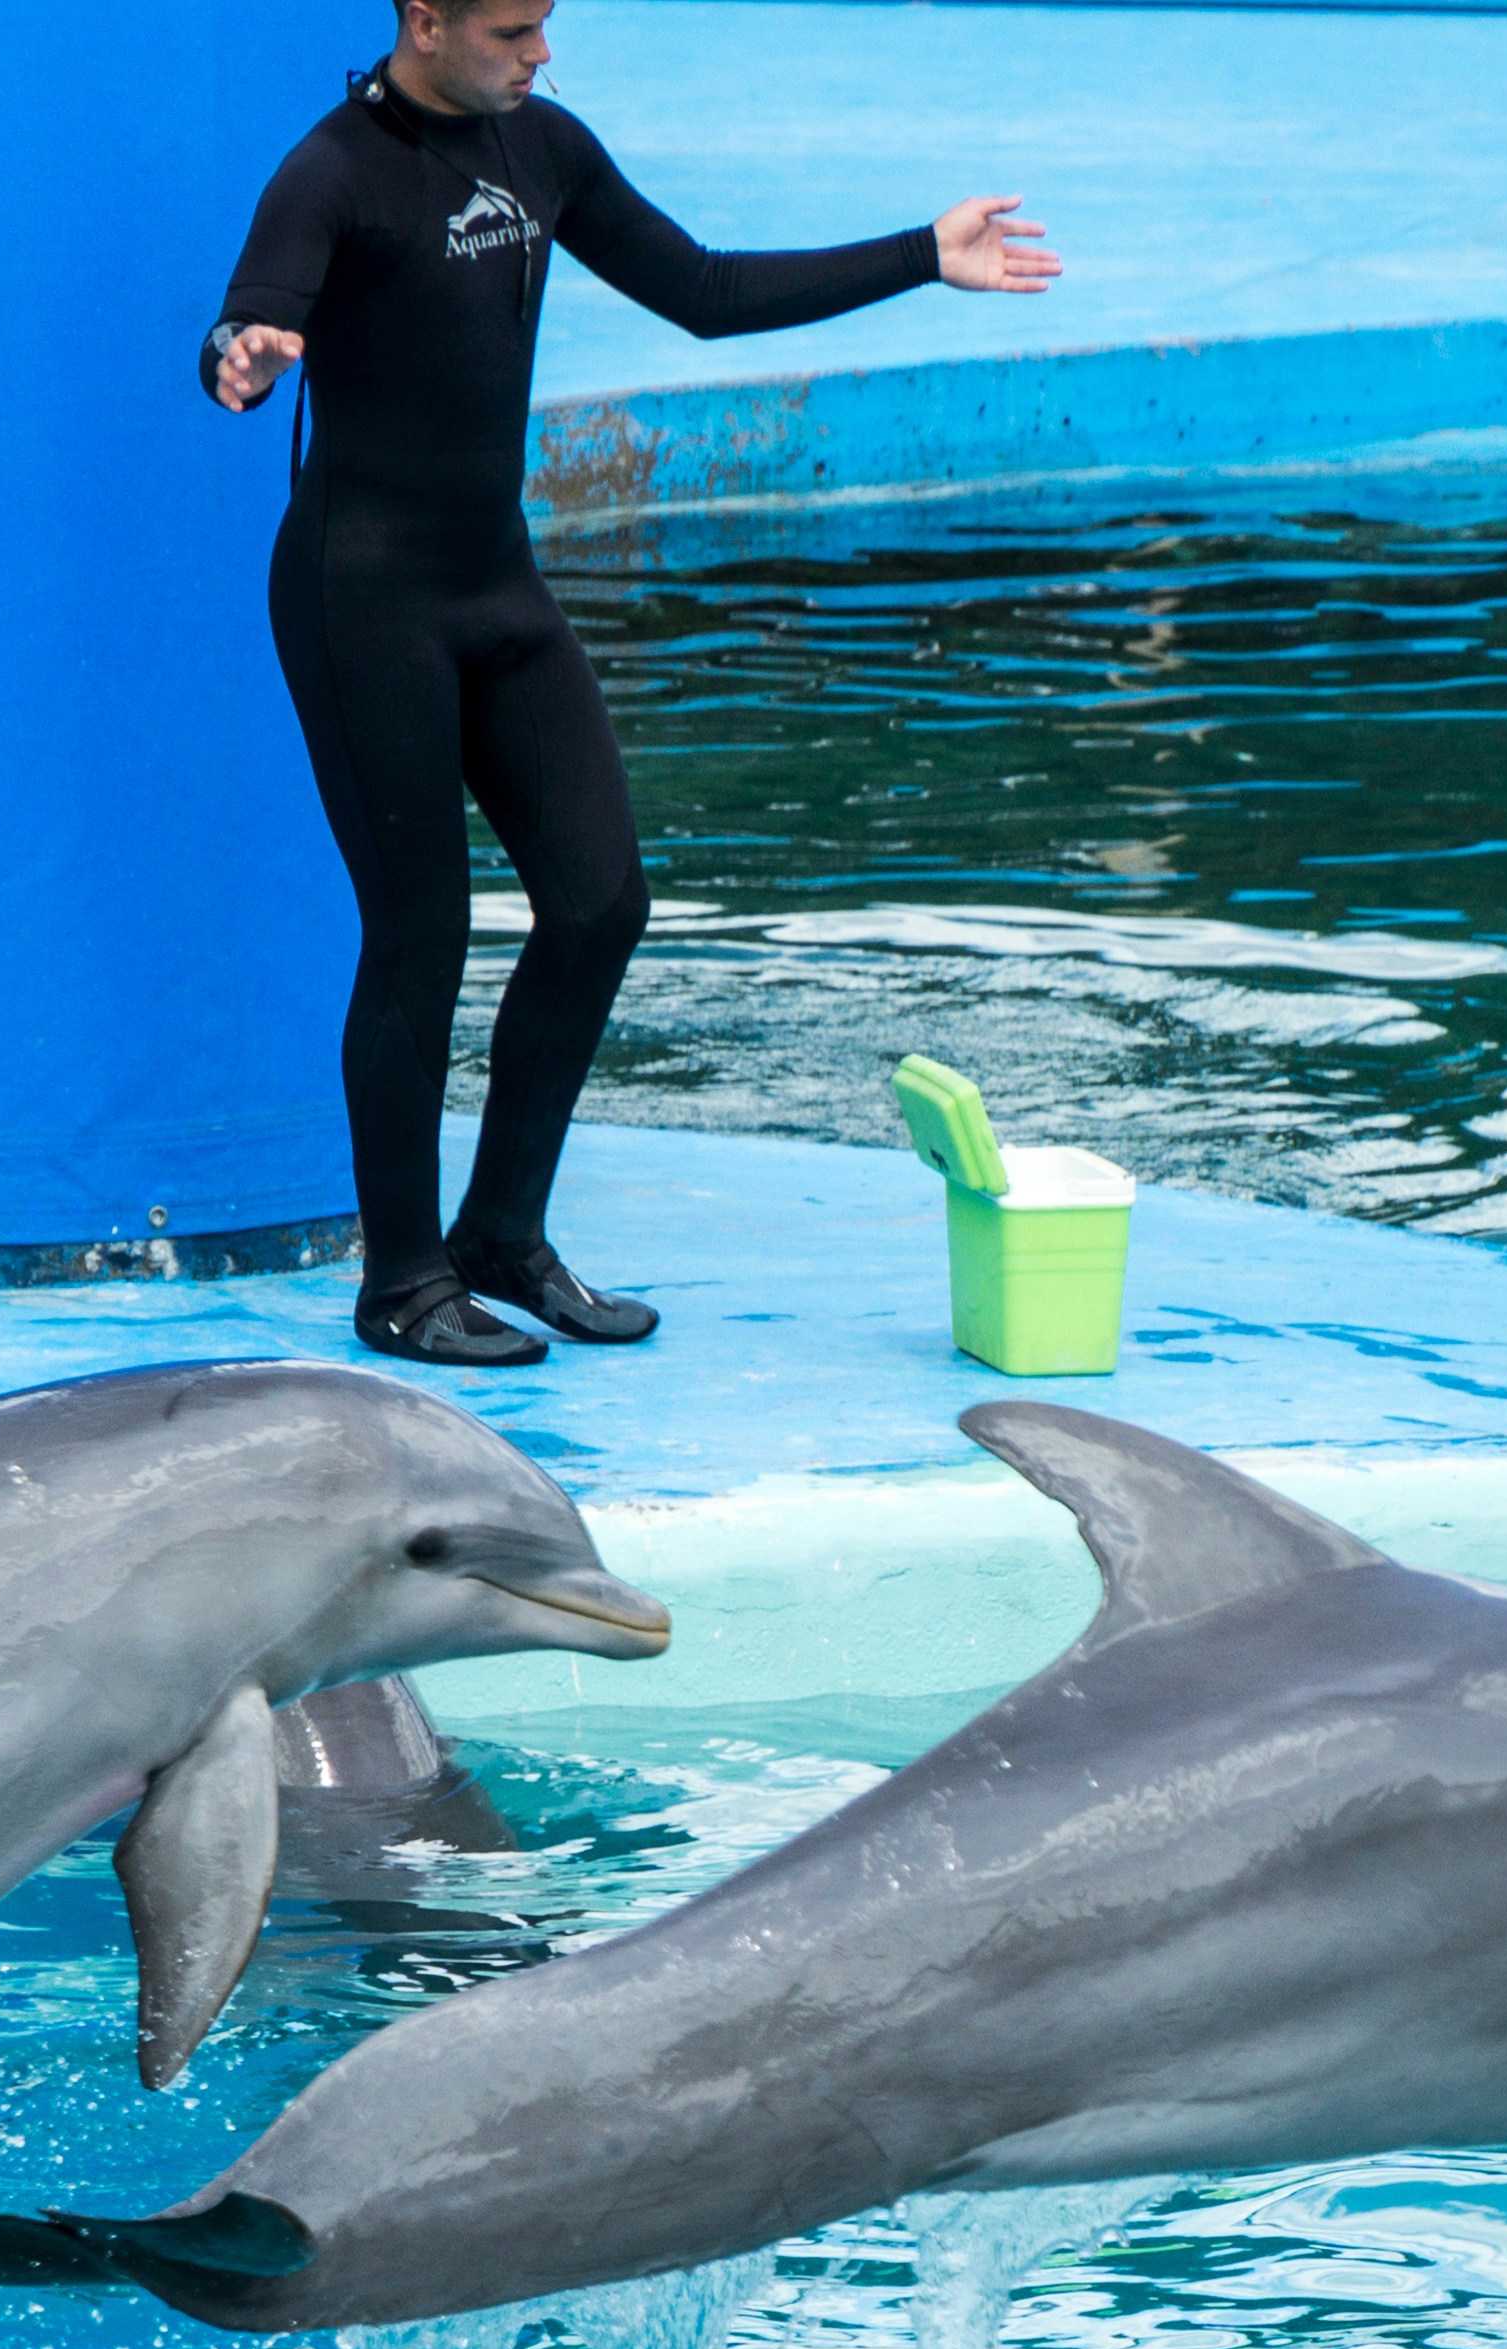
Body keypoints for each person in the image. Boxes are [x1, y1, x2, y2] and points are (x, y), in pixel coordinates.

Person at [204, 0, 1055, 1371]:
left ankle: (498, 1237)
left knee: (600, 902)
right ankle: (401, 1279)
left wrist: (919, 256)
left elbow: (704, 292)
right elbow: (249, 316)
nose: (540, 52)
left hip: (495, 586)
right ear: (422, 20)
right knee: (419, 935)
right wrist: (237, 356)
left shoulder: (542, 147)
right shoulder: (331, 171)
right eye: (510, 27)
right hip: (360, 602)